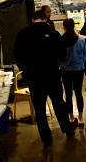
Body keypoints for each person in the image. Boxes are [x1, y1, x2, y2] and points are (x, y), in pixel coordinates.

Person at [14, 10, 77, 145]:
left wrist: (25, 71)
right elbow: (62, 55)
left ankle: (46, 139)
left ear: (32, 19)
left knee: (40, 109)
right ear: (45, 19)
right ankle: (67, 129)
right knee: (59, 104)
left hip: (34, 79)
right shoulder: (53, 33)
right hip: (52, 76)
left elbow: (17, 57)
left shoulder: (22, 34)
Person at [61, 18, 86, 128]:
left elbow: (59, 57)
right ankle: (80, 117)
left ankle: (71, 116)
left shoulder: (61, 41)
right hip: (78, 70)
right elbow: (84, 55)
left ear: (64, 27)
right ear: (74, 26)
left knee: (68, 94)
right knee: (78, 93)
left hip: (65, 71)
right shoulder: (81, 40)